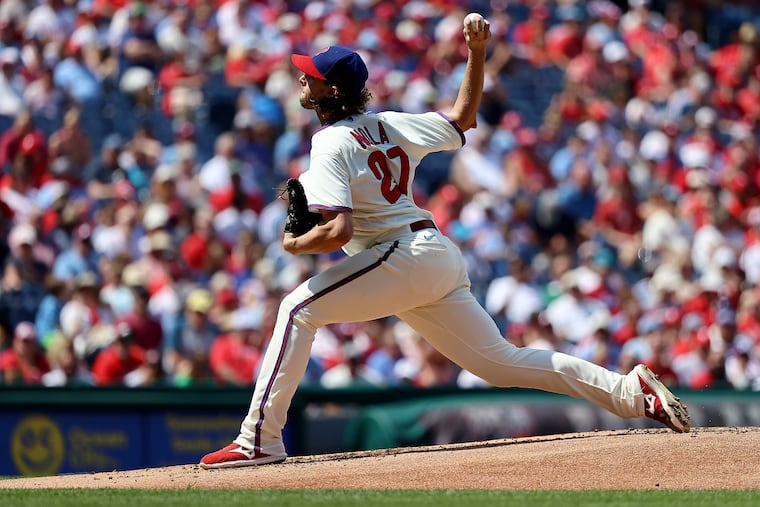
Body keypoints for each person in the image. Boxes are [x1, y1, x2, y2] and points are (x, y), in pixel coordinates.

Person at [200, 13, 690, 469]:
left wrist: (293, 244)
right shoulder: (387, 123)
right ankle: (630, 393)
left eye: (310, 74)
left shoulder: (329, 142)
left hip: (400, 254)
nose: (301, 78)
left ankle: (257, 438)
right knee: (499, 363)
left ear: (331, 89)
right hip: (430, 253)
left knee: (295, 309)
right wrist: (476, 53)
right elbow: (462, 118)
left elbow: (338, 231)